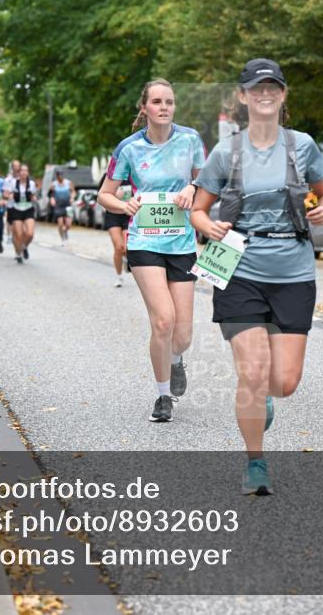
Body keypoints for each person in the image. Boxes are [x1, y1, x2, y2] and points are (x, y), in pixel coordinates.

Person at [191, 59, 323, 494]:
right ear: (243, 96)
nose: (265, 94)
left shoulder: (302, 145)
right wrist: (207, 225)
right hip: (238, 267)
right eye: (256, 88)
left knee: (283, 382)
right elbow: (198, 208)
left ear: (283, 94)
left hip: (293, 269)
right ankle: (255, 463)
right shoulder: (225, 152)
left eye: (273, 87)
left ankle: (265, 398)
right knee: (252, 372)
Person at [98, 78, 206, 423]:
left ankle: (175, 361)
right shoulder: (128, 148)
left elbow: (208, 183)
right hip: (144, 241)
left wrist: (192, 187)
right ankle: (162, 397)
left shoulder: (190, 140)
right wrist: (123, 204)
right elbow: (105, 194)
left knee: (183, 334)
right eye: (157, 102)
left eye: (169, 102)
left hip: (182, 242)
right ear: (144, 108)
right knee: (163, 320)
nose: (164, 107)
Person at [97, 172, 132, 287]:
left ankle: (126, 260)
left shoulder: (133, 173)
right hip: (113, 214)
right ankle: (119, 276)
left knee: (127, 247)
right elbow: (101, 195)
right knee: (118, 247)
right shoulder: (110, 174)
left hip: (128, 214)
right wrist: (113, 196)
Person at [4, 160, 37, 263]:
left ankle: (24, 247)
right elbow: (6, 194)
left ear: (28, 173)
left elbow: (33, 195)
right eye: (22, 170)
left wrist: (34, 198)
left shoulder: (31, 184)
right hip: (16, 209)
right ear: (19, 173)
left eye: (25, 171)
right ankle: (18, 253)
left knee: (30, 233)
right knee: (18, 233)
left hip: (28, 209)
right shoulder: (13, 182)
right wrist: (9, 196)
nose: (23, 172)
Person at [49, 169, 76, 245]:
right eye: (58, 176)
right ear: (57, 177)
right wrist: (52, 199)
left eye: (61, 176)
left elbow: (73, 192)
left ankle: (65, 231)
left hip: (68, 204)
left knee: (68, 224)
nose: (60, 177)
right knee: (60, 223)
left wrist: (72, 197)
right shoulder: (53, 184)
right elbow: (51, 194)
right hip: (58, 205)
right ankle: (62, 239)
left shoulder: (68, 183)